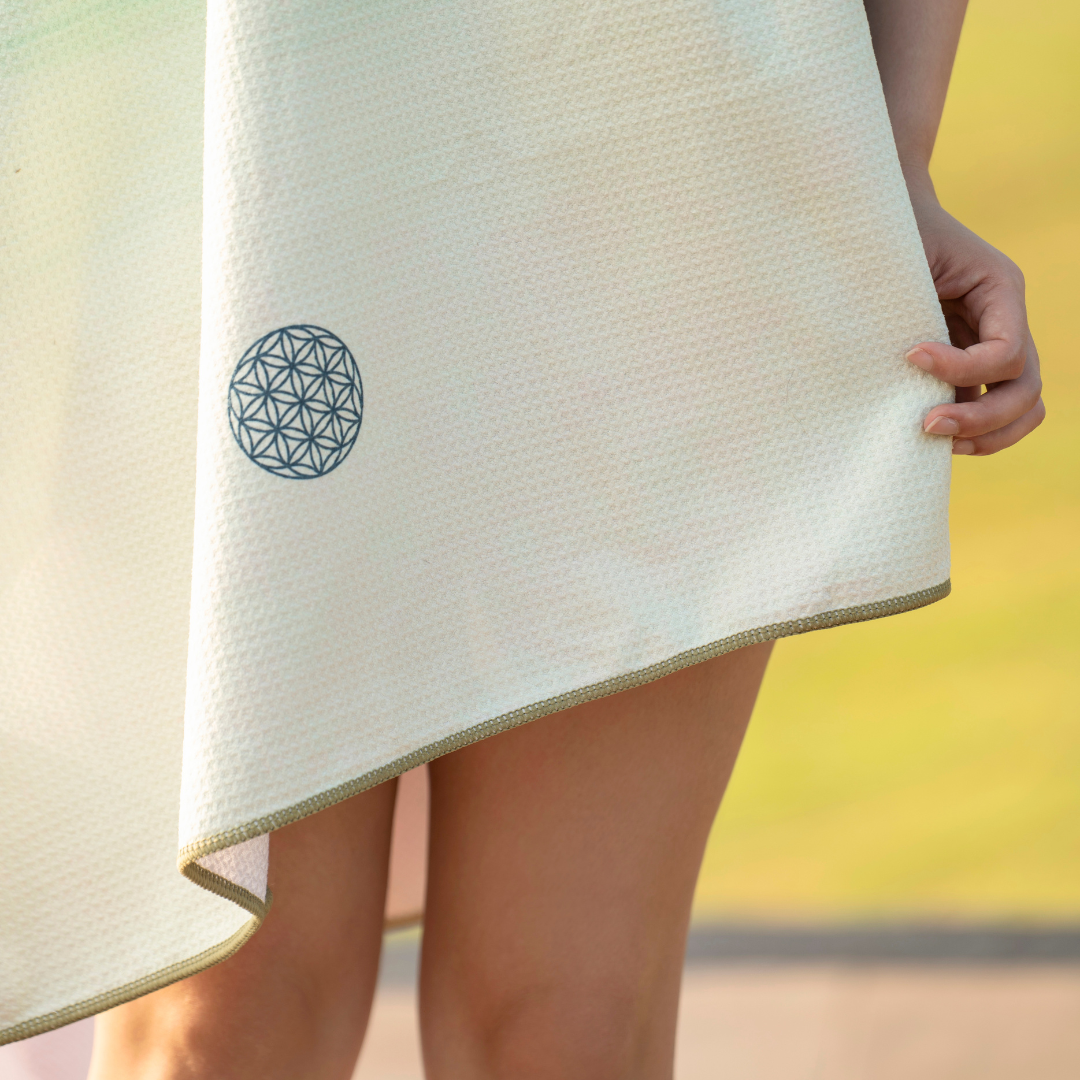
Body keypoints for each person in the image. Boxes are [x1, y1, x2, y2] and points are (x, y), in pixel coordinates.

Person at [78, 1, 1042, 1077]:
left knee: (564, 1028)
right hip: (242, 139)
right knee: (225, 1019)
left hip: (663, 157)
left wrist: (896, 158)